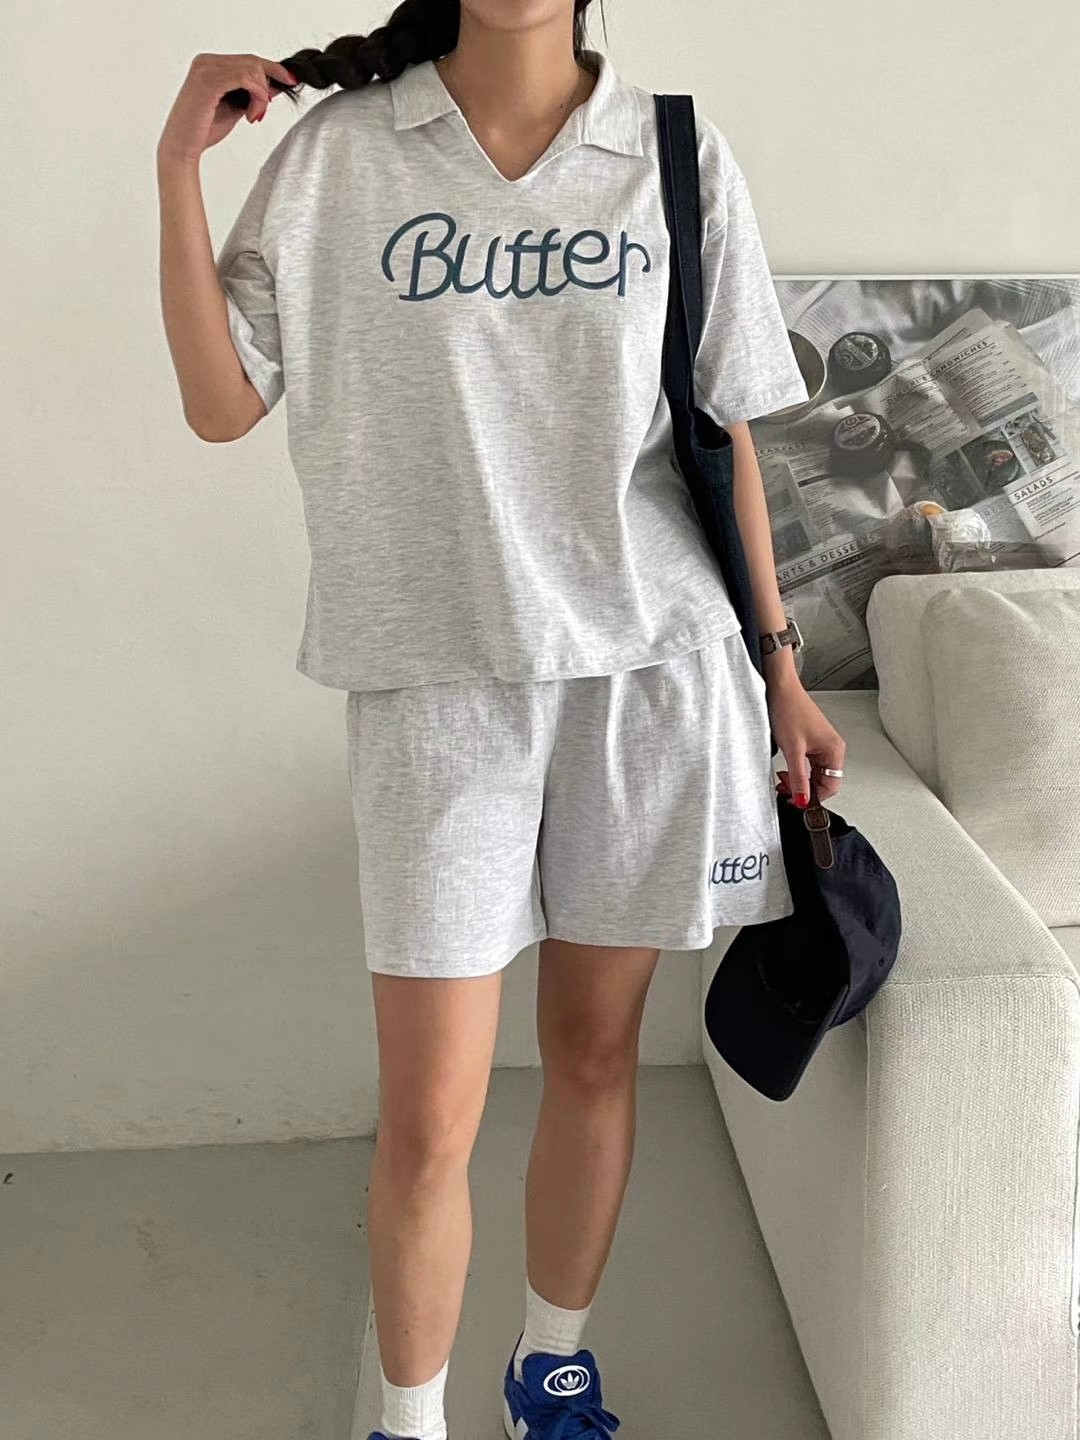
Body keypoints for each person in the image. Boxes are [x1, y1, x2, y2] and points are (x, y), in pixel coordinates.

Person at [156, 1, 846, 1436]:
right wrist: (175, 172)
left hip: (647, 676)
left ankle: (553, 1369)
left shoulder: (670, 151)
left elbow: (724, 431)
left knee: (593, 1058)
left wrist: (780, 670)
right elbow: (223, 407)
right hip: (435, 687)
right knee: (429, 1118)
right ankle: (407, 1421)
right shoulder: (343, 155)